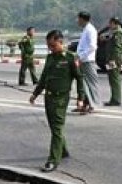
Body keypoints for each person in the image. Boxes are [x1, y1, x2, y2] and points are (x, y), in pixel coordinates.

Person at [30, 30, 85, 173]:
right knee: (54, 127)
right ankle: (63, 150)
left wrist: (80, 98)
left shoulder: (71, 57)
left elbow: (80, 78)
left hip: (60, 98)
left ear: (61, 42)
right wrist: (35, 94)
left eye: (53, 45)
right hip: (48, 97)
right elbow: (43, 78)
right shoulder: (50, 58)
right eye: (48, 46)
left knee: (57, 128)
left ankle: (53, 160)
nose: (50, 48)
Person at [75, 11, 100, 114]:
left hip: (87, 60)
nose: (77, 21)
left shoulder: (90, 30)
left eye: (78, 19)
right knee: (84, 84)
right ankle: (85, 104)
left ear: (82, 19)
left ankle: (93, 105)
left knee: (90, 83)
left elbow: (92, 46)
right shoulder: (86, 29)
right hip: (83, 60)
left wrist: (81, 56)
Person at [105, 17, 122, 106]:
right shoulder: (114, 32)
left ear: (114, 23)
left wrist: (113, 59)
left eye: (110, 23)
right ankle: (113, 98)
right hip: (111, 58)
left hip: (114, 58)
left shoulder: (119, 32)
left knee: (114, 78)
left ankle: (116, 100)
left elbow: (117, 47)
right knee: (111, 77)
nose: (109, 25)